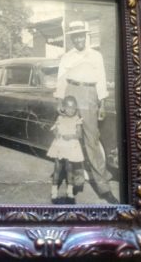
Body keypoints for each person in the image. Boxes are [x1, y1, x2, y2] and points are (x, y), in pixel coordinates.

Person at [54, 20, 118, 204]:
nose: (79, 39)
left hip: (90, 95)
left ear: (86, 36)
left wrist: (102, 104)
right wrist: (60, 101)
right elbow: (61, 79)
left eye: (81, 35)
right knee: (71, 138)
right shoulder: (67, 57)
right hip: (70, 95)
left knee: (92, 140)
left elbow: (101, 79)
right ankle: (73, 181)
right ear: (72, 38)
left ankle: (104, 187)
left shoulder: (96, 56)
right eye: (75, 36)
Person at [47, 96, 84, 204]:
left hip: (71, 145)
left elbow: (79, 134)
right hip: (60, 145)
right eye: (68, 108)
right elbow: (55, 129)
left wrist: (71, 136)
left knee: (69, 169)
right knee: (57, 168)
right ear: (63, 108)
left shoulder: (77, 119)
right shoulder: (60, 118)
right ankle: (54, 191)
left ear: (76, 108)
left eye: (73, 108)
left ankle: (69, 191)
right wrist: (56, 133)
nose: (71, 110)